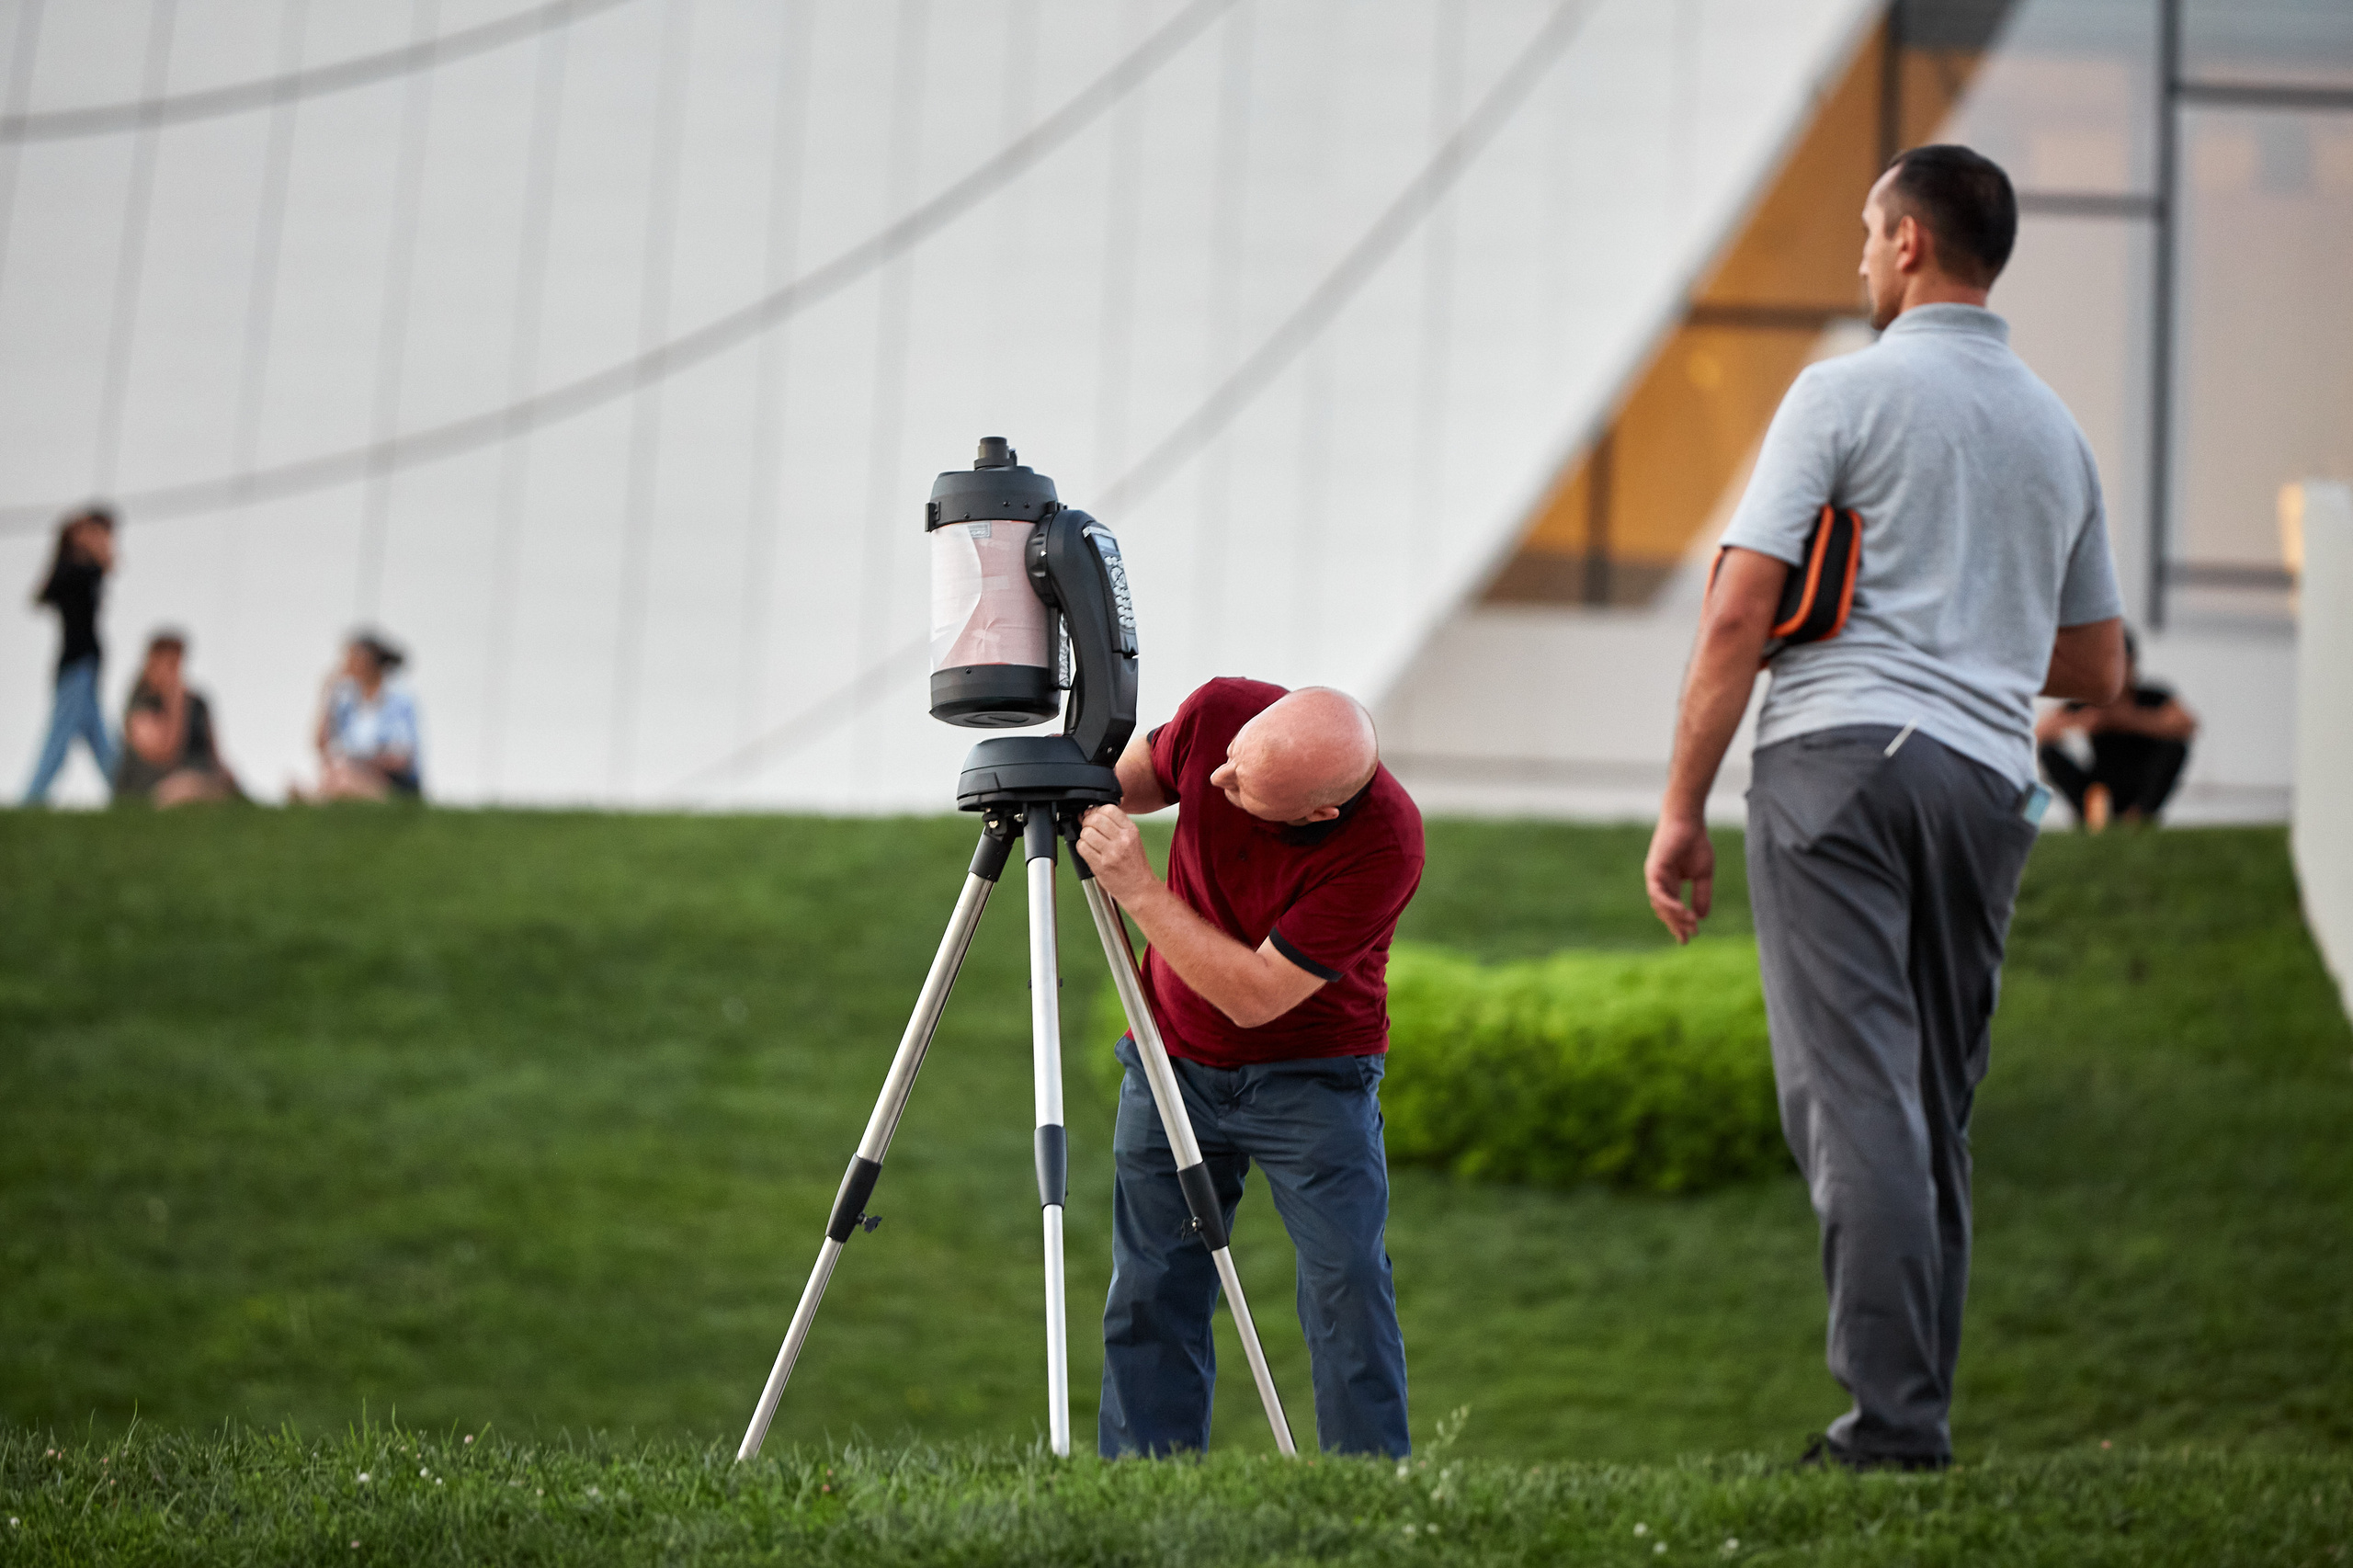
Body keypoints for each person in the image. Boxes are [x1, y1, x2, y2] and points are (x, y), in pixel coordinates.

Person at [1642, 145, 2126, 1471]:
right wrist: (1976, 613)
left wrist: (1680, 808)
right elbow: (2098, 667)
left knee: (1856, 1098)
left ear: (1910, 244)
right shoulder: (2055, 433)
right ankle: (1915, 1414)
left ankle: (1892, 1431)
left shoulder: (1840, 393)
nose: (1859, 256)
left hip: (1837, 765)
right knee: (1927, 1105)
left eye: (1866, 231)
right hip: (1984, 784)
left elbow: (1740, 605)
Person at [1075, 679, 1424, 1460]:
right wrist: (1070, 782)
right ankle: (1143, 1488)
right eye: (1232, 762)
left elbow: (1257, 997)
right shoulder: (1222, 716)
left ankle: (1363, 1488)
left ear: (1317, 814)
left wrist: (1134, 885)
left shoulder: (1386, 845)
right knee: (1152, 1283)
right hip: (1171, 1058)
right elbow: (1125, 782)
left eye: (1246, 789)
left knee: (1348, 1286)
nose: (1219, 783)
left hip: (1313, 1077)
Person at [2036, 628, 2196, 830]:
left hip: (2142, 781)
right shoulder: (2089, 701)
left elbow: (2186, 724)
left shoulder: (2152, 697)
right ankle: (2089, 816)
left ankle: (2140, 814)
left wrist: (2128, 720)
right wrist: (2081, 722)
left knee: (2175, 748)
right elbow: (2041, 732)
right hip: (2100, 785)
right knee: (2049, 752)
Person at [20, 506, 119, 803]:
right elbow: (43, 594)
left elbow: (107, 564)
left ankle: (126, 793)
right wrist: (88, 541)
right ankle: (33, 799)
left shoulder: (84, 571)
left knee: (97, 736)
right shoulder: (73, 570)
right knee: (61, 735)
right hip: (76, 664)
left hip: (85, 663)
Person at [113, 631, 241, 807]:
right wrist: (175, 704)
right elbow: (164, 754)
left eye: (175, 664)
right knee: (184, 790)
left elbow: (214, 753)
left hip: (201, 776)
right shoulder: (142, 702)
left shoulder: (198, 703)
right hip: (153, 785)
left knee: (220, 787)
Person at [295, 631, 423, 801]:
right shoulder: (348, 705)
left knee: (342, 779)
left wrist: (358, 762)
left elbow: (400, 759)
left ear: (370, 663)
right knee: (336, 775)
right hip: (351, 774)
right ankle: (318, 797)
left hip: (391, 783)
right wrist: (328, 697)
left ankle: (315, 799)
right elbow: (321, 746)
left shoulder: (399, 701)